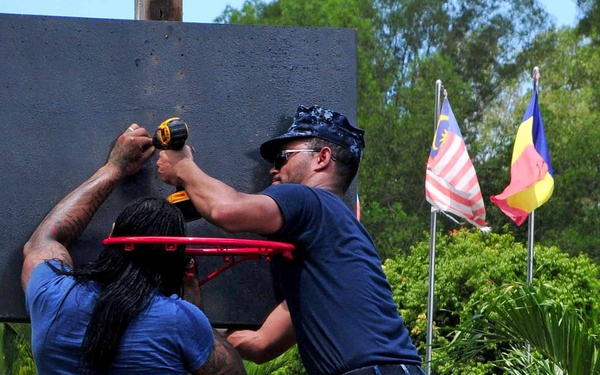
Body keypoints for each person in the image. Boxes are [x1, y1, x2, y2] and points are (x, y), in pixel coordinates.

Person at [156, 105, 425, 375]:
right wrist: (200, 331)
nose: (274, 170)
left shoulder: (307, 199)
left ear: (322, 158)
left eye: (283, 158)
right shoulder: (330, 244)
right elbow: (261, 344)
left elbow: (226, 210)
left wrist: (182, 167)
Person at [22, 124, 245, 375]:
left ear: (112, 234)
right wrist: (191, 293)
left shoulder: (53, 295)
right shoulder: (180, 320)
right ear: (179, 262)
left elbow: (43, 241)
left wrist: (114, 168)